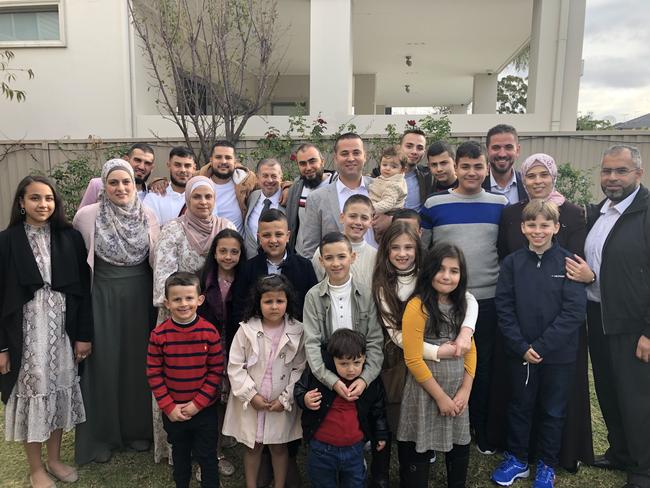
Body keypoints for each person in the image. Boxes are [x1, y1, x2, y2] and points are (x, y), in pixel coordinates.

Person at [492, 153, 592, 472]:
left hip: (558, 355)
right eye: (531, 224)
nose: (538, 230)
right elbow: (504, 308)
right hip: (521, 352)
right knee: (520, 407)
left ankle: (547, 464)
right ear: (522, 227)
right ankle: (518, 458)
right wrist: (522, 346)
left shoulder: (568, 264)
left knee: (552, 410)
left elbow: (573, 311)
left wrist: (543, 345)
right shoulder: (512, 264)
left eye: (545, 224)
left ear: (556, 227)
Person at [565, 144, 650, 488]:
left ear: (638, 174)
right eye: (606, 171)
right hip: (598, 316)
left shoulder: (645, 214)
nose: (612, 178)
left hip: (633, 324)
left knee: (637, 397)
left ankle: (643, 467)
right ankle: (620, 452)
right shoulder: (600, 212)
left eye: (621, 171)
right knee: (609, 390)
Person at [0, 175, 92, 488]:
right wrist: (1, 348)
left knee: (59, 394)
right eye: (36, 198)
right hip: (25, 334)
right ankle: (36, 467)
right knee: (33, 395)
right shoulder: (6, 241)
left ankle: (54, 459)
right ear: (22, 203)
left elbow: (83, 291)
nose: (43, 205)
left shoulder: (70, 238)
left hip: (63, 330)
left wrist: (83, 334)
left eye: (49, 198)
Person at [369, 222, 477, 487]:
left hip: (451, 374)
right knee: (404, 417)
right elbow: (398, 336)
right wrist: (438, 351)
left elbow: (470, 310)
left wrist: (465, 332)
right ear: (386, 251)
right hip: (406, 357)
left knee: (452, 428)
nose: (403, 253)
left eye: (408, 247)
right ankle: (394, 469)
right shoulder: (387, 286)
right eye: (396, 248)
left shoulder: (436, 281)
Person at [419, 140, 508, 454]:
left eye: (478, 166)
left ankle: (479, 429)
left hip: (488, 300)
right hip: (445, 301)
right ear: (455, 167)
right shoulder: (434, 205)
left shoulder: (501, 204)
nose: (472, 172)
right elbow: (425, 255)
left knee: (481, 368)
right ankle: (436, 432)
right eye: (465, 166)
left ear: (487, 169)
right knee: (442, 364)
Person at [73, 158, 160, 465]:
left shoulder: (148, 215)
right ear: (103, 185)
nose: (121, 188)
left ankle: (137, 430)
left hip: (139, 297)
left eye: (127, 182)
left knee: (137, 364)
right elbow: (78, 268)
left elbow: (154, 262)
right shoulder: (87, 216)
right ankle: (102, 435)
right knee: (104, 364)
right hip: (102, 297)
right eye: (114, 182)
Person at [151, 175, 235, 463]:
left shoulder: (226, 227)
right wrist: (185, 308)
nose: (202, 202)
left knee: (215, 376)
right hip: (179, 315)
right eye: (196, 197)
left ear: (215, 199)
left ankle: (215, 448)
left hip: (217, 315)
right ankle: (180, 449)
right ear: (186, 199)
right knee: (179, 377)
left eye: (208, 196)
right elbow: (162, 278)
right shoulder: (172, 230)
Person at [397, 243, 477, 487]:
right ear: (429, 271)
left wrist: (465, 389)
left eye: (454, 271)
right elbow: (412, 358)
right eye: (441, 269)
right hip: (426, 391)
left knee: (459, 445)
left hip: (457, 391)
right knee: (418, 447)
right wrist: (441, 397)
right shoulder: (417, 306)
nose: (447, 276)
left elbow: (471, 348)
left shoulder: (462, 305)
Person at [223, 274, 306, 488]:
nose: (274, 306)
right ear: (258, 303)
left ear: (288, 302)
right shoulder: (246, 330)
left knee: (279, 447)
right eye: (268, 301)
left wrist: (286, 399)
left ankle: (279, 485)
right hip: (252, 401)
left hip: (280, 401)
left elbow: (300, 368)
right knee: (253, 446)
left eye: (280, 301)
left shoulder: (297, 330)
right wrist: (251, 395)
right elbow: (235, 366)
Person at [147, 272, 224, 488]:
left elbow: (215, 371)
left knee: (207, 457)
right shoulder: (159, 335)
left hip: (204, 411)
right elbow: (154, 373)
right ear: (167, 303)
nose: (183, 304)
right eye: (177, 299)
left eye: (189, 298)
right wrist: (169, 407)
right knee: (180, 459)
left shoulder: (209, 332)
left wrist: (197, 404)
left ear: (199, 300)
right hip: (173, 412)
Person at [295, 328, 389, 488]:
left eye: (357, 362)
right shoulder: (319, 377)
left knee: (355, 483)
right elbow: (299, 389)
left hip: (354, 449)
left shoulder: (369, 381)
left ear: (365, 358)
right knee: (322, 483)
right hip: (321, 449)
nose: (351, 369)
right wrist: (305, 399)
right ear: (332, 360)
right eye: (344, 364)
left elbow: (378, 410)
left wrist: (380, 433)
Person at [302, 232, 384, 409]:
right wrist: (331, 380)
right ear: (321, 261)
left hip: (360, 372)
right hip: (326, 375)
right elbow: (311, 343)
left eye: (341, 256)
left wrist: (365, 379)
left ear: (352, 257)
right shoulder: (313, 296)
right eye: (329, 258)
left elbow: (375, 341)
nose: (336, 263)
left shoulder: (367, 295)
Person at [197, 228, 247, 477]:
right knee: (207, 402)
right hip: (206, 352)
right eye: (223, 251)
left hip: (236, 348)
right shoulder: (202, 280)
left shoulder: (245, 280)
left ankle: (221, 447)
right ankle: (207, 455)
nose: (228, 256)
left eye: (234, 251)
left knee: (223, 404)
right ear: (214, 253)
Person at [229, 210, 317, 347]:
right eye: (266, 235)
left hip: (296, 340)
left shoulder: (304, 267)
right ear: (259, 237)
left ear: (288, 236)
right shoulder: (248, 268)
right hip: (257, 340)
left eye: (279, 234)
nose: (273, 240)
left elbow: (312, 307)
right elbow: (239, 308)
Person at [301, 133, 375, 259]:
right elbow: (310, 250)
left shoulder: (381, 188)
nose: (351, 158)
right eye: (345, 153)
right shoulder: (317, 199)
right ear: (335, 158)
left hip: (377, 271)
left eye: (356, 153)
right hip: (335, 275)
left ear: (365, 156)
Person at [311, 195, 377, 288]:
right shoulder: (325, 250)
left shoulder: (375, 256)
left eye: (364, 218)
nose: (358, 222)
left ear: (370, 222)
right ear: (342, 217)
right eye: (353, 216)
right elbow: (316, 285)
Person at [286, 143, 336, 255]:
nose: (308, 167)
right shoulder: (296, 189)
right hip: (302, 257)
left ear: (322, 161)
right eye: (302, 164)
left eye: (312, 161)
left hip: (332, 258)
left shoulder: (336, 185)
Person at [199, 140, 257, 234]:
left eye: (228, 157)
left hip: (238, 246)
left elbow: (270, 182)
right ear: (211, 160)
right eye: (218, 157)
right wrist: (165, 183)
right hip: (207, 245)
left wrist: (286, 188)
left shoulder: (246, 181)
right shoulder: (198, 182)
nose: (223, 161)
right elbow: (177, 182)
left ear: (235, 161)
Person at [79, 143, 156, 207]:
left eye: (147, 163)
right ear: (126, 160)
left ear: (152, 168)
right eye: (137, 160)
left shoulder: (153, 192)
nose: (141, 167)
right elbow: (82, 219)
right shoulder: (97, 185)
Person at [143, 147, 196, 225]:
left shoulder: (201, 197)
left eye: (187, 166)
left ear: (194, 168)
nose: (183, 170)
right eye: (177, 165)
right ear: (169, 165)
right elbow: (150, 231)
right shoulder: (153, 197)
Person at [244, 158, 285, 258]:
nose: (270, 180)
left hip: (279, 264)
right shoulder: (252, 197)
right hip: (251, 263)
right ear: (258, 178)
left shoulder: (288, 201)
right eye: (265, 176)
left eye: (274, 176)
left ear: (281, 177)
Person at [482, 124, 527, 205]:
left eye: (508, 147)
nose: (502, 154)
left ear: (517, 150)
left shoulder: (527, 185)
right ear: (487, 151)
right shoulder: (477, 185)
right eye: (496, 148)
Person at [368, 145, 407, 214]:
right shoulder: (386, 178)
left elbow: (387, 204)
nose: (387, 168)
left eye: (393, 166)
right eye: (384, 165)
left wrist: (368, 209)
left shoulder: (394, 185)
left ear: (402, 170)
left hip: (383, 213)